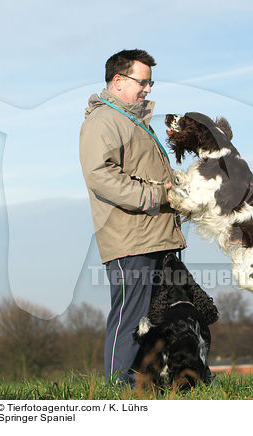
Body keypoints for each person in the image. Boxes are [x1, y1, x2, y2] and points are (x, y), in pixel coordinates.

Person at [79, 49, 186, 384]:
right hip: (131, 241)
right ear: (119, 81)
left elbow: (150, 174)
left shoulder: (134, 122)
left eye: (151, 82)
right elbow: (101, 178)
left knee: (156, 321)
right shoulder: (103, 122)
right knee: (130, 319)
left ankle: (146, 389)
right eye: (144, 81)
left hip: (155, 236)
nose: (149, 89)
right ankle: (115, 394)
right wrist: (158, 194)